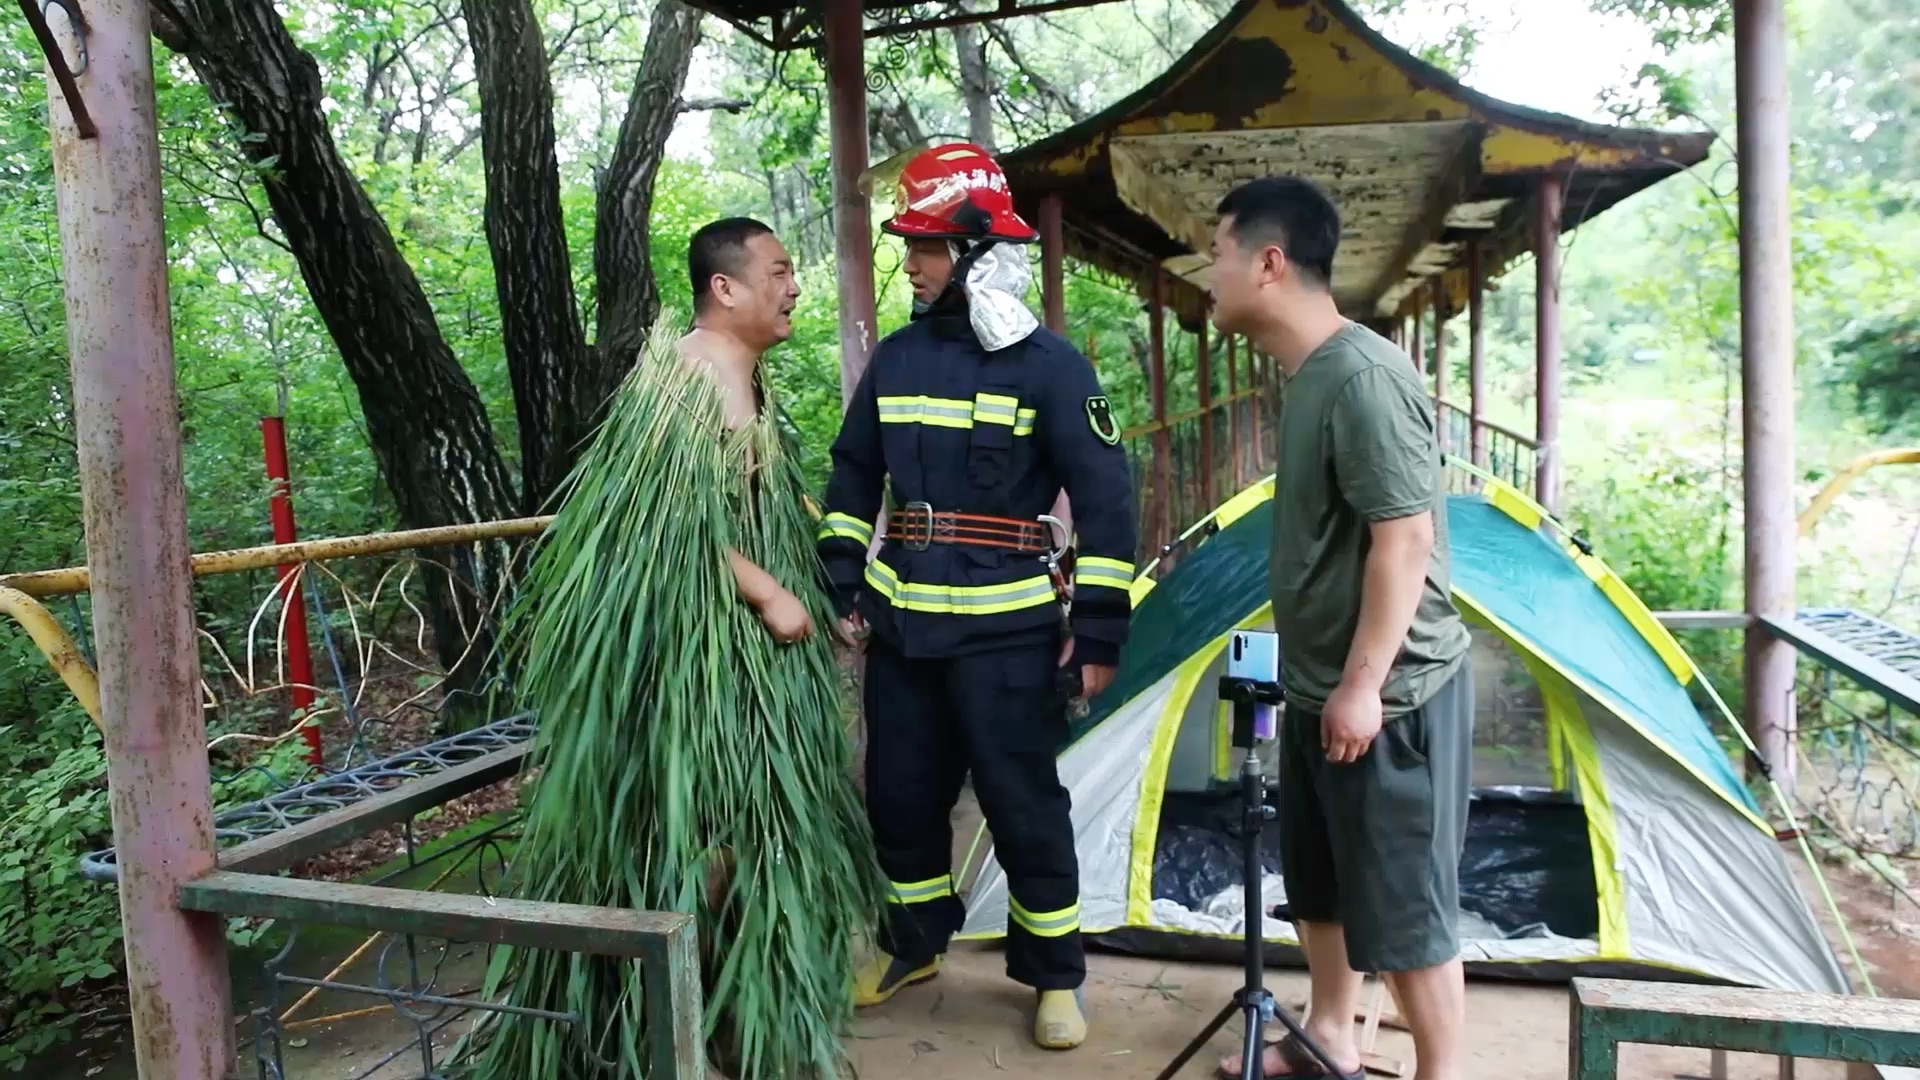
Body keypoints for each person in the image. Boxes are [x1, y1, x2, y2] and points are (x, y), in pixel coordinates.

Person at [815, 142, 1139, 1051]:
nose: (909, 261)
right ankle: (913, 944)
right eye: (909, 244)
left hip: (1009, 641)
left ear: (974, 253)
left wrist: (1101, 632)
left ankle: (1054, 975)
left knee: (1023, 802)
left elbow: (1109, 505)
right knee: (901, 798)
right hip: (904, 634)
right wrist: (844, 576)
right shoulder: (899, 361)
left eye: (922, 245)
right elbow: (852, 476)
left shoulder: (1052, 368)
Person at [1204, 176, 1474, 1080]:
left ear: (1269, 263)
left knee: (1406, 910)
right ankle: (1331, 1039)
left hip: (1391, 696)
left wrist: (1362, 685)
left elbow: (1404, 540)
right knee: (1319, 882)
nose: (1210, 274)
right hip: (1320, 685)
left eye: (1218, 254)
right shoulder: (1310, 374)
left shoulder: (1362, 377)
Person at [677, 216, 815, 647]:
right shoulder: (683, 378)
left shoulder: (747, 375)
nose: (793, 288)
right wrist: (767, 593)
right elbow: (668, 526)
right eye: (778, 273)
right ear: (726, 289)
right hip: (699, 638)